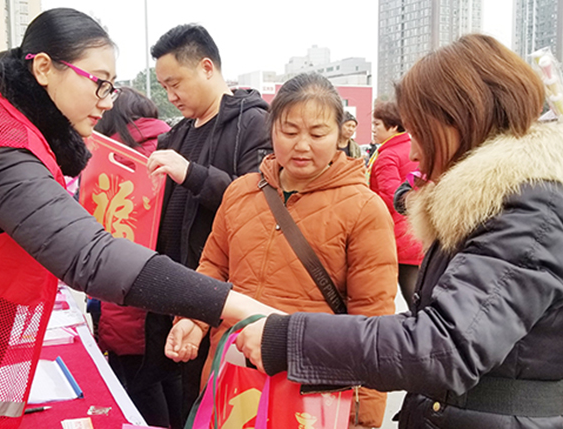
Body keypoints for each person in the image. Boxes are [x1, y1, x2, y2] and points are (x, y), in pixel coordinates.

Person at [0, 9, 274, 429]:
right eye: (99, 84)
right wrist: (242, 308)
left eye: (112, 88)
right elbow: (90, 256)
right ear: (44, 68)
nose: (107, 102)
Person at [235, 34, 563, 429]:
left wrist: (288, 338)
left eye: (419, 132)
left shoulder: (533, 211)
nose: (414, 152)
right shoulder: (498, 201)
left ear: (462, 119)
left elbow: (443, 345)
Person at [165, 73, 398, 429]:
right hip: (234, 374)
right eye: (289, 132)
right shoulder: (241, 192)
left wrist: (363, 416)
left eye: (317, 134)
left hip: (309, 390)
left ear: (341, 135)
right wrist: (193, 321)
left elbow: (373, 320)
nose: (302, 145)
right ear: (272, 130)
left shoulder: (365, 209)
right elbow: (213, 267)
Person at [148, 23, 272, 421]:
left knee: (209, 401)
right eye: (163, 87)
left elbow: (258, 201)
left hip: (218, 293)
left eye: (175, 84)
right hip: (170, 288)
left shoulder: (252, 123)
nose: (170, 96)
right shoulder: (178, 133)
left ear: (206, 67)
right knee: (171, 397)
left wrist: (192, 174)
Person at [92, 87, 177, 428]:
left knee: (139, 386)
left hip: (129, 283)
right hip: (174, 283)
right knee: (169, 378)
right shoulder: (172, 147)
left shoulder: (115, 157)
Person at [368, 101, 423, 304]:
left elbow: (390, 197)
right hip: (416, 228)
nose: (373, 129)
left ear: (392, 126)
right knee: (419, 293)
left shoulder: (387, 156)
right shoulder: (411, 147)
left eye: (377, 124)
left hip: (396, 234)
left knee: (405, 294)